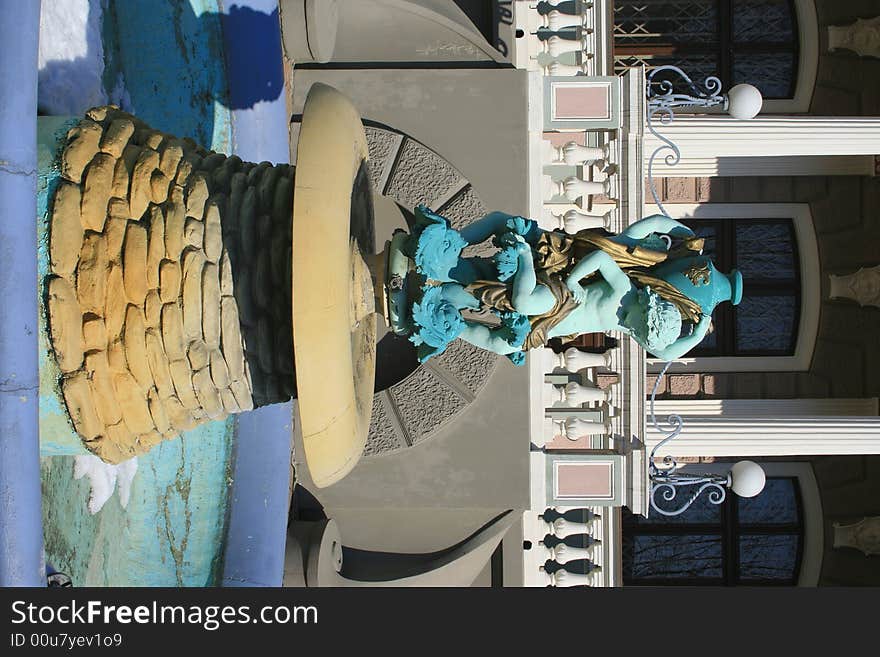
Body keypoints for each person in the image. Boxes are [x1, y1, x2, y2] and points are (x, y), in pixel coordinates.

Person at [405, 206, 734, 364]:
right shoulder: (626, 290)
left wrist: (699, 328)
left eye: (640, 332)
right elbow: (607, 256)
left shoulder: (630, 327)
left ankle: (445, 321)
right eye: (641, 325)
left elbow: (663, 352)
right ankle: (519, 255)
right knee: (519, 302)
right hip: (562, 297)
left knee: (503, 344)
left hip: (554, 327)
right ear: (648, 306)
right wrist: (575, 279)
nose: (636, 331)